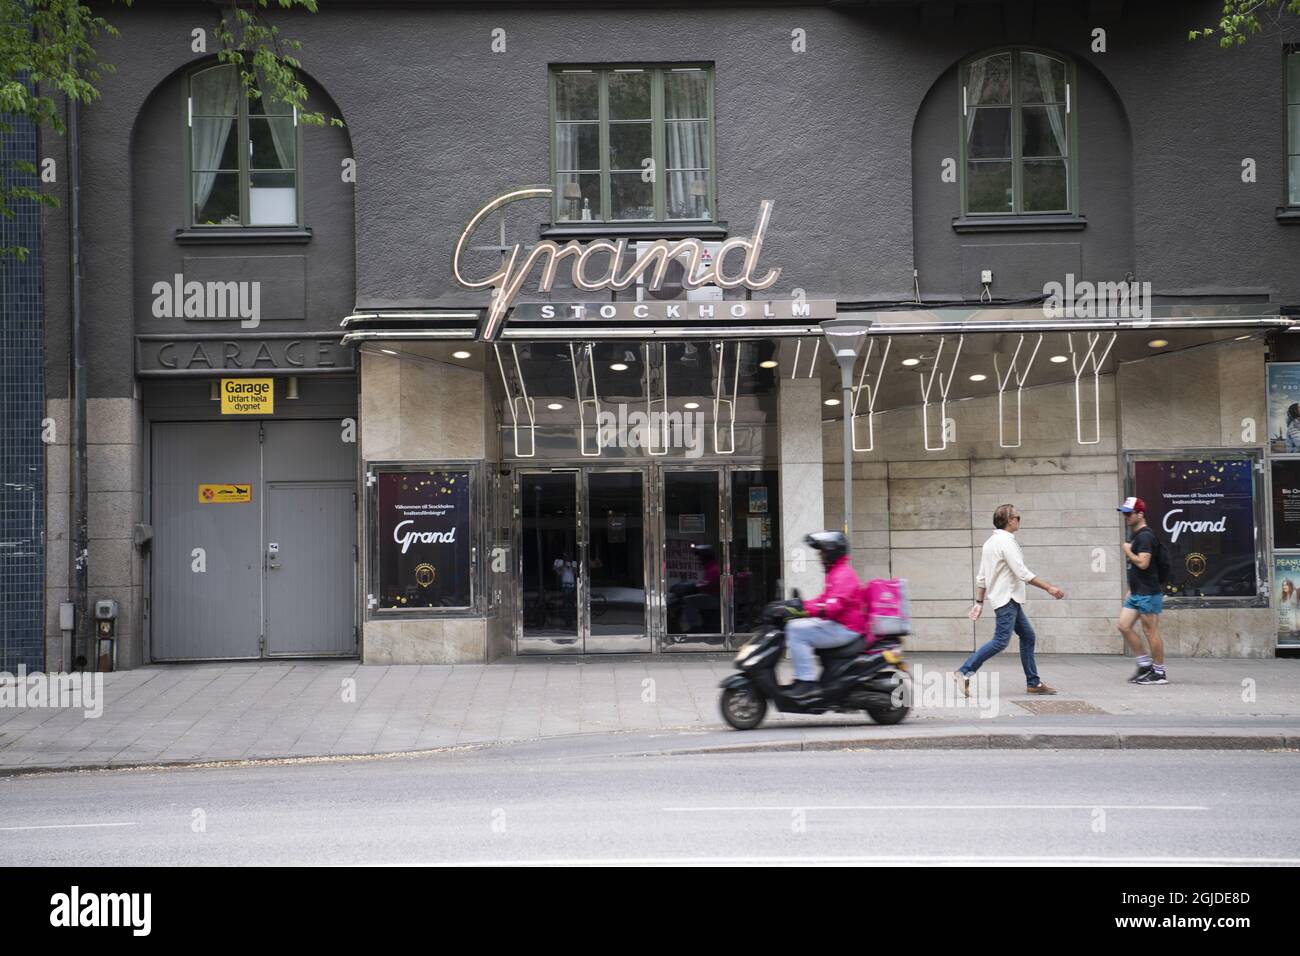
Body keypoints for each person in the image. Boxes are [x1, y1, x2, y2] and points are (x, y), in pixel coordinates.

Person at [959, 504, 1064, 696]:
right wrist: (1049, 587)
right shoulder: (1006, 542)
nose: (1019, 519)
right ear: (1009, 520)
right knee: (1000, 641)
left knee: (1028, 636)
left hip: (1008, 599)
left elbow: (981, 577)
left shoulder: (990, 542)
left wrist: (979, 602)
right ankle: (964, 671)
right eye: (1017, 517)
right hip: (1007, 599)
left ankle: (1033, 683)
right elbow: (1022, 572)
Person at [786, 531, 868, 700]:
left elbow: (833, 605)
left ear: (833, 552)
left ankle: (805, 682)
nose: (820, 556)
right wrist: (801, 605)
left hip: (845, 628)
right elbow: (824, 599)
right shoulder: (836, 572)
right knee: (798, 626)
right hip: (840, 625)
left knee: (795, 630)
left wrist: (807, 610)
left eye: (823, 551)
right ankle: (805, 680)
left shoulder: (843, 574)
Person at [1116, 496, 1167, 684]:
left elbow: (1143, 563)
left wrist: (1128, 550)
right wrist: (1130, 588)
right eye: (1124, 513)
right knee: (1123, 625)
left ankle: (1159, 672)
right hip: (1137, 592)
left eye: (1129, 514)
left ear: (1140, 514)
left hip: (1148, 592)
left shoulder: (1145, 536)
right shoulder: (1136, 535)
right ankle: (1144, 664)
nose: (1126, 517)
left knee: (1150, 630)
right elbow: (1136, 568)